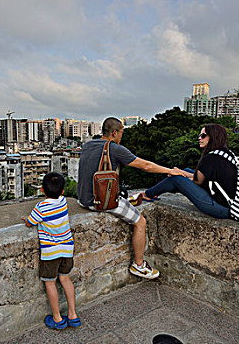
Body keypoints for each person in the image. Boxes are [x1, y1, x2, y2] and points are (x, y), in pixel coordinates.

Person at [77, 117, 186, 279]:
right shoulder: (114, 148)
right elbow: (146, 166)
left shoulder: (88, 145)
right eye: (121, 133)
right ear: (114, 133)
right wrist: (170, 171)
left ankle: (126, 201)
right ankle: (139, 265)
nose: (122, 136)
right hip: (100, 201)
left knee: (126, 200)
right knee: (140, 222)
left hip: (82, 198)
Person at [137, 123, 237, 219]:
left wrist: (180, 176)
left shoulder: (210, 158)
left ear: (213, 137)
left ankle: (148, 194)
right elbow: (205, 178)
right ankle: (159, 190)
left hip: (222, 208)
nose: (199, 138)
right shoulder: (226, 154)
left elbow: (198, 181)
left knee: (176, 179)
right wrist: (182, 172)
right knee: (185, 171)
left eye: (203, 135)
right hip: (229, 203)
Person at [22, 172, 81, 330]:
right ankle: (73, 315)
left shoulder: (41, 207)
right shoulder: (63, 201)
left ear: (42, 190)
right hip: (67, 249)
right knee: (66, 279)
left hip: (51, 253)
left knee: (50, 283)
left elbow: (30, 223)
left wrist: (27, 219)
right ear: (62, 191)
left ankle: (57, 318)